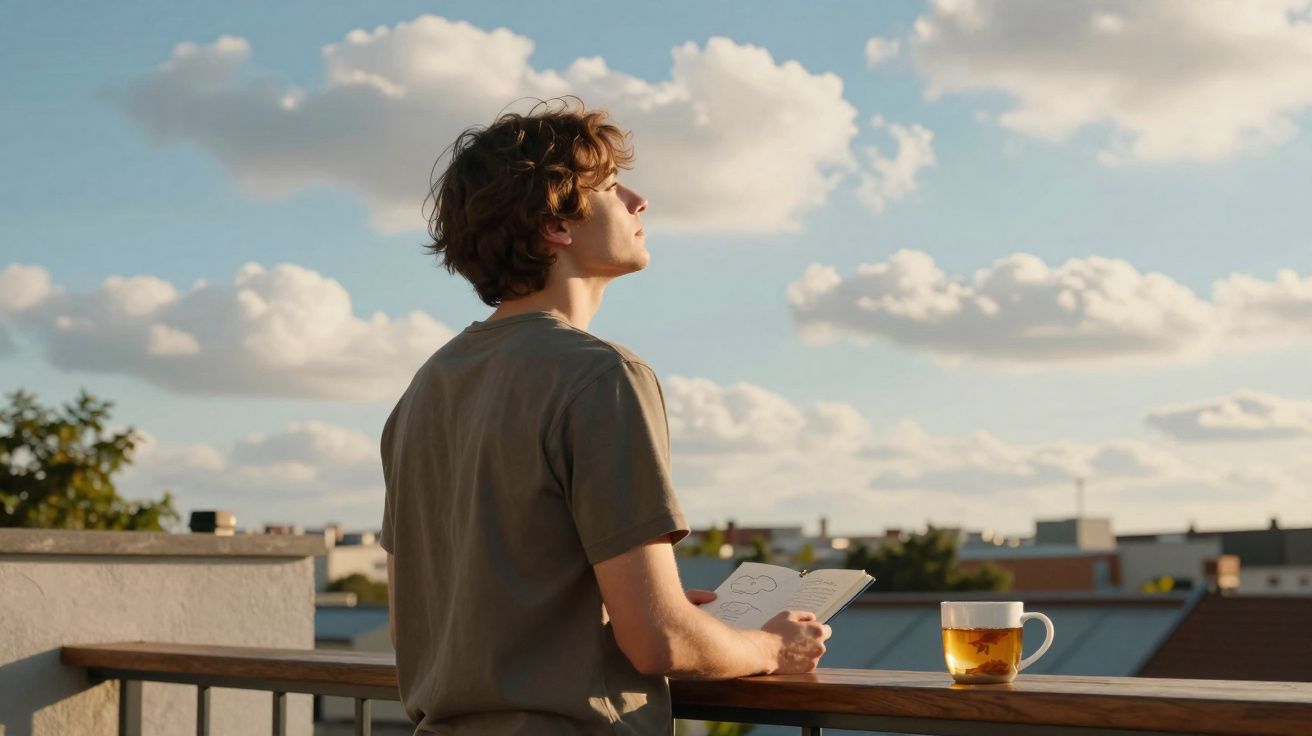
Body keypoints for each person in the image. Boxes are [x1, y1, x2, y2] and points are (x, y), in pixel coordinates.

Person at [378, 97, 831, 735]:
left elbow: (419, 622)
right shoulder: (602, 377)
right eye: (613, 188)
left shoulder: (423, 390)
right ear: (555, 227)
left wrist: (624, 608)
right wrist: (770, 648)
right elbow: (658, 643)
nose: (639, 201)